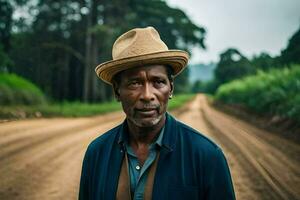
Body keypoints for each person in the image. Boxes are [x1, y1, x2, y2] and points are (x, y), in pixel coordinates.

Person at [79, 27, 235, 200]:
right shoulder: (97, 153)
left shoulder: (207, 156)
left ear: (171, 88)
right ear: (117, 91)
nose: (147, 95)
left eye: (158, 82)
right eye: (134, 83)